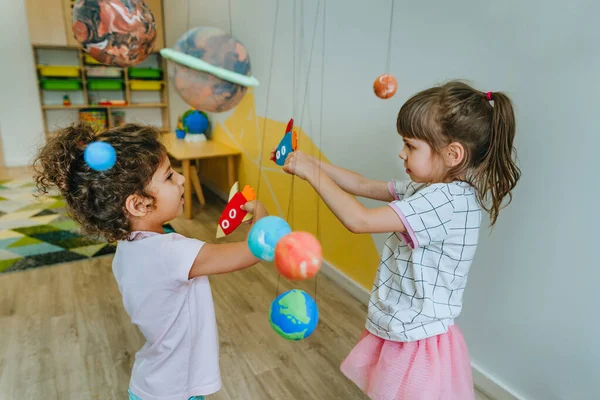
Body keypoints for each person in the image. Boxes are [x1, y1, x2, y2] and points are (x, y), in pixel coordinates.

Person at [279, 81, 521, 399]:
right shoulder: (429, 188)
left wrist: (313, 174)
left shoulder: (445, 201)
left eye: (411, 146)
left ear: (453, 154)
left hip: (417, 338)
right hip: (408, 327)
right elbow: (363, 184)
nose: (401, 152)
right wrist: (309, 162)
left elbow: (359, 220)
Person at [34, 123, 267, 400]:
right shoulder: (172, 254)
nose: (181, 179)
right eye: (169, 176)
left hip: (151, 385)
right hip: (176, 390)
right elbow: (254, 251)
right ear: (139, 205)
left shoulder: (127, 247)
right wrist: (261, 215)